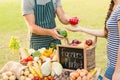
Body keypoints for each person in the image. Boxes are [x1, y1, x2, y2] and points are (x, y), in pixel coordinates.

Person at [66, 0, 120, 80]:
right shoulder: (115, 6)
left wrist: (117, 71)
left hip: (116, 65)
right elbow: (106, 33)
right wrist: (81, 29)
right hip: (112, 63)